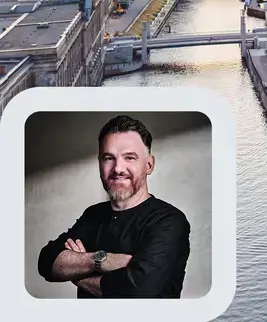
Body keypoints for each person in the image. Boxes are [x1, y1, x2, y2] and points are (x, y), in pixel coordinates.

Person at [37, 114, 191, 298]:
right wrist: (103, 260)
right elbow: (47, 261)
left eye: (129, 158)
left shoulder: (169, 221)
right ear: (100, 164)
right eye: (109, 158)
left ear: (149, 165)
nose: (118, 168)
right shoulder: (93, 215)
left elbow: (138, 291)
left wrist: (78, 276)